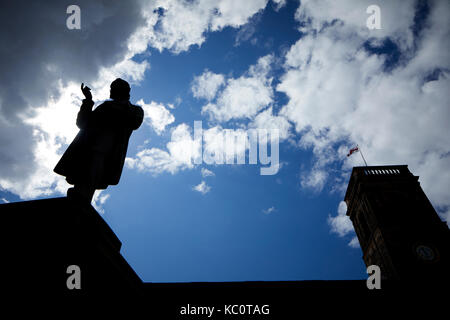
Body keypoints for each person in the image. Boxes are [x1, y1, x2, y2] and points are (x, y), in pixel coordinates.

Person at [54, 78, 144, 203]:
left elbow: (134, 122)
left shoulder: (134, 110)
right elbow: (82, 123)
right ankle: (78, 200)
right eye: (112, 89)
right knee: (82, 178)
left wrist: (112, 109)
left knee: (91, 177)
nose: (111, 92)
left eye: (115, 89)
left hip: (107, 152)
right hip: (86, 148)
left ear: (124, 91)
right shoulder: (105, 107)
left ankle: (81, 201)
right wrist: (88, 101)